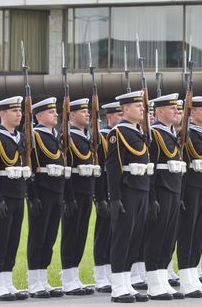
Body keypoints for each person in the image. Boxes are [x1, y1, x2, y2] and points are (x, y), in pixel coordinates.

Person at [0, 96, 29, 301]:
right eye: (14, 111)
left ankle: (8, 282)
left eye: (19, 111)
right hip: (1, 197)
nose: (19, 114)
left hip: (17, 195)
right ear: (2, 114)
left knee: (12, 242)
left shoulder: (19, 137)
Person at [106, 91, 151, 303]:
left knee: (134, 239)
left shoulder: (138, 132)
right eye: (137, 106)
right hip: (127, 190)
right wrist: (114, 198)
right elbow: (113, 167)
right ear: (125, 110)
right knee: (122, 238)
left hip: (141, 188)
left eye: (142, 106)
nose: (142, 109)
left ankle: (126, 283)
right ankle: (117, 287)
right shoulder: (118, 132)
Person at [146, 94, 188, 300]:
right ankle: (154, 283)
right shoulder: (154, 134)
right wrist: (151, 197)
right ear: (160, 111)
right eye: (172, 108)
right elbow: (151, 169)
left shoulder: (171, 134)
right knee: (156, 237)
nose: (176, 112)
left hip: (173, 190)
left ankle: (163, 279)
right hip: (161, 192)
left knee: (168, 238)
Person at [26, 97, 67, 298]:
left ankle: (43, 278)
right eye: (51, 112)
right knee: (38, 237)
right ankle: (34, 281)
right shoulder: (34, 136)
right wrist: (32, 196)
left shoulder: (54, 137)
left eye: (55, 111)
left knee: (50, 237)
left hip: (56, 191)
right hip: (42, 192)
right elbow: (30, 168)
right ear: (39, 115)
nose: (56, 114)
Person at [178, 96, 202, 296]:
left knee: (200, 234)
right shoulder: (186, 134)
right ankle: (185, 277)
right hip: (191, 188)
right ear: (192, 113)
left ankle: (193, 273)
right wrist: (182, 195)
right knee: (188, 233)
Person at [60, 98, 99, 295]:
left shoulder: (87, 138)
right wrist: (68, 198)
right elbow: (66, 170)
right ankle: (67, 278)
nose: (87, 114)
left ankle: (74, 276)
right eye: (82, 112)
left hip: (86, 192)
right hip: (73, 193)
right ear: (72, 115)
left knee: (81, 235)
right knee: (70, 236)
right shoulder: (67, 138)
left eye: (87, 111)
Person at [93, 102, 123, 293]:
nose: (121, 118)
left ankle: (111, 271)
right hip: (105, 190)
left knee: (116, 234)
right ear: (109, 117)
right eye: (118, 114)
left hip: (119, 191)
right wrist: (100, 197)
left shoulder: (122, 135)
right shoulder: (103, 137)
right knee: (103, 234)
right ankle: (100, 274)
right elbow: (101, 170)